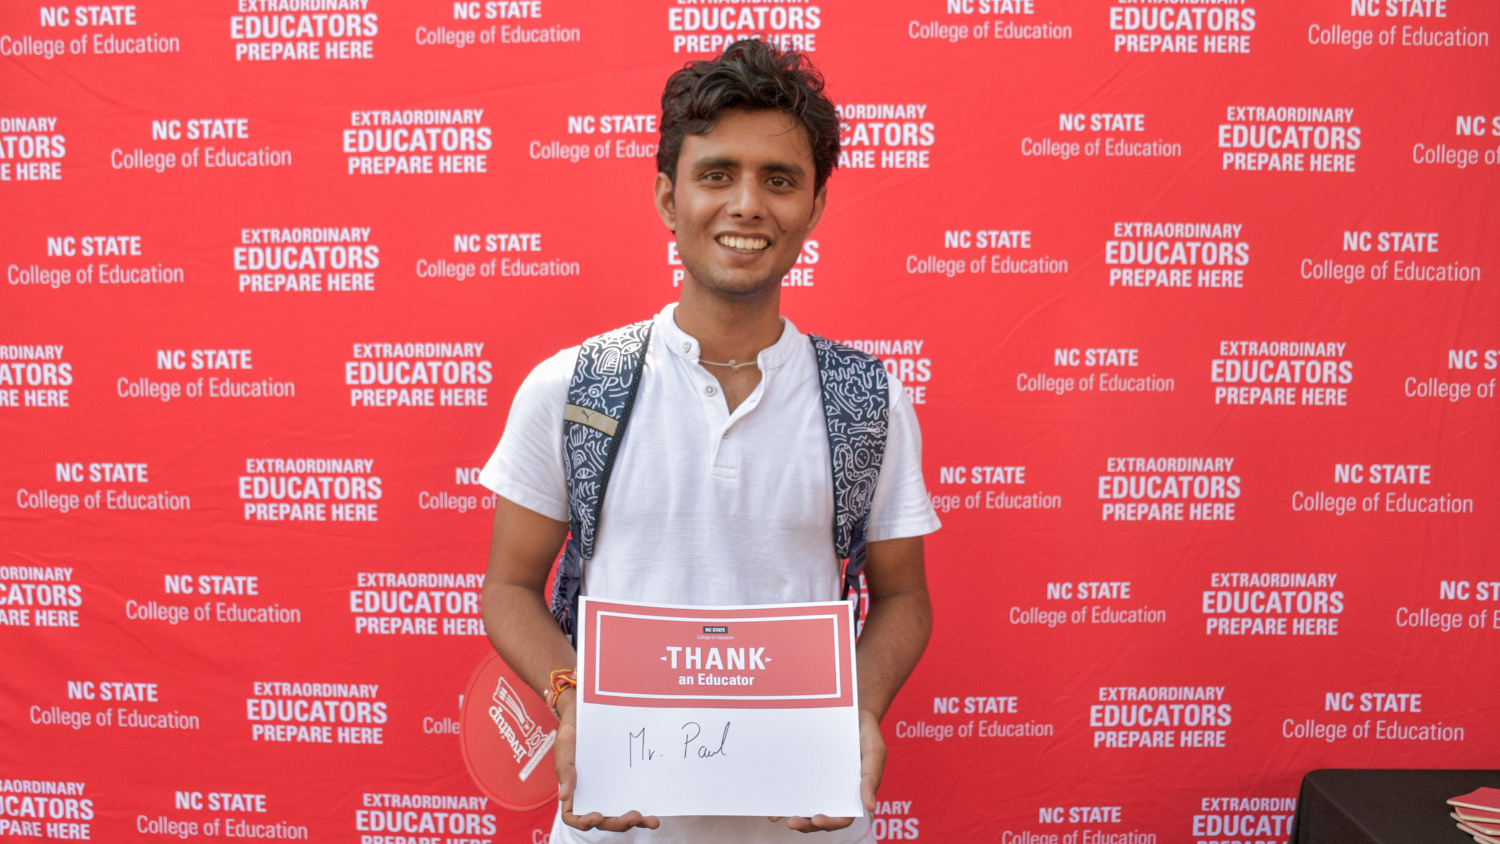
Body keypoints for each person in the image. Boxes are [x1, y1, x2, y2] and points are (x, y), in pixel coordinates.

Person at [479, 39, 940, 843]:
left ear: (816, 206)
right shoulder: (573, 387)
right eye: (717, 174)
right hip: (614, 820)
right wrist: (571, 691)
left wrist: (857, 710)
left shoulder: (867, 398)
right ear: (669, 197)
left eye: (780, 179)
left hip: (811, 821)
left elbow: (902, 597)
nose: (747, 204)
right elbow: (510, 588)